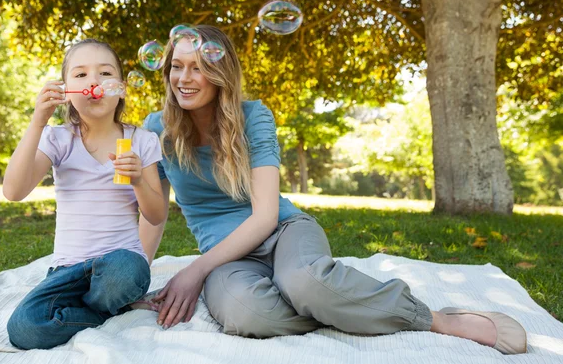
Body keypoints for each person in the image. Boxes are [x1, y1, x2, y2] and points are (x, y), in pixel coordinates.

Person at [140, 25, 527, 355]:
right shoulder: (157, 129)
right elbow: (153, 214)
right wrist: (140, 274)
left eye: (198, 67)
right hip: (227, 259)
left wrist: (195, 271)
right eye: (177, 67)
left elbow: (265, 217)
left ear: (220, 72)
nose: (183, 78)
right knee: (246, 314)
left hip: (281, 232)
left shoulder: (252, 116)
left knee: (304, 281)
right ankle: (337, 305)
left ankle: (435, 318)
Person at [2, 39, 166, 350]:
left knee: (126, 271)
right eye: (80, 75)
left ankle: (97, 304)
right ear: (65, 92)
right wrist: (38, 121)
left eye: (105, 73)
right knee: (24, 328)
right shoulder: (58, 139)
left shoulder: (142, 141)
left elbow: (156, 215)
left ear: (121, 88)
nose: (93, 82)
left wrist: (138, 182)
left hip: (120, 267)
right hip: (67, 272)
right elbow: (14, 191)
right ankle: (108, 312)